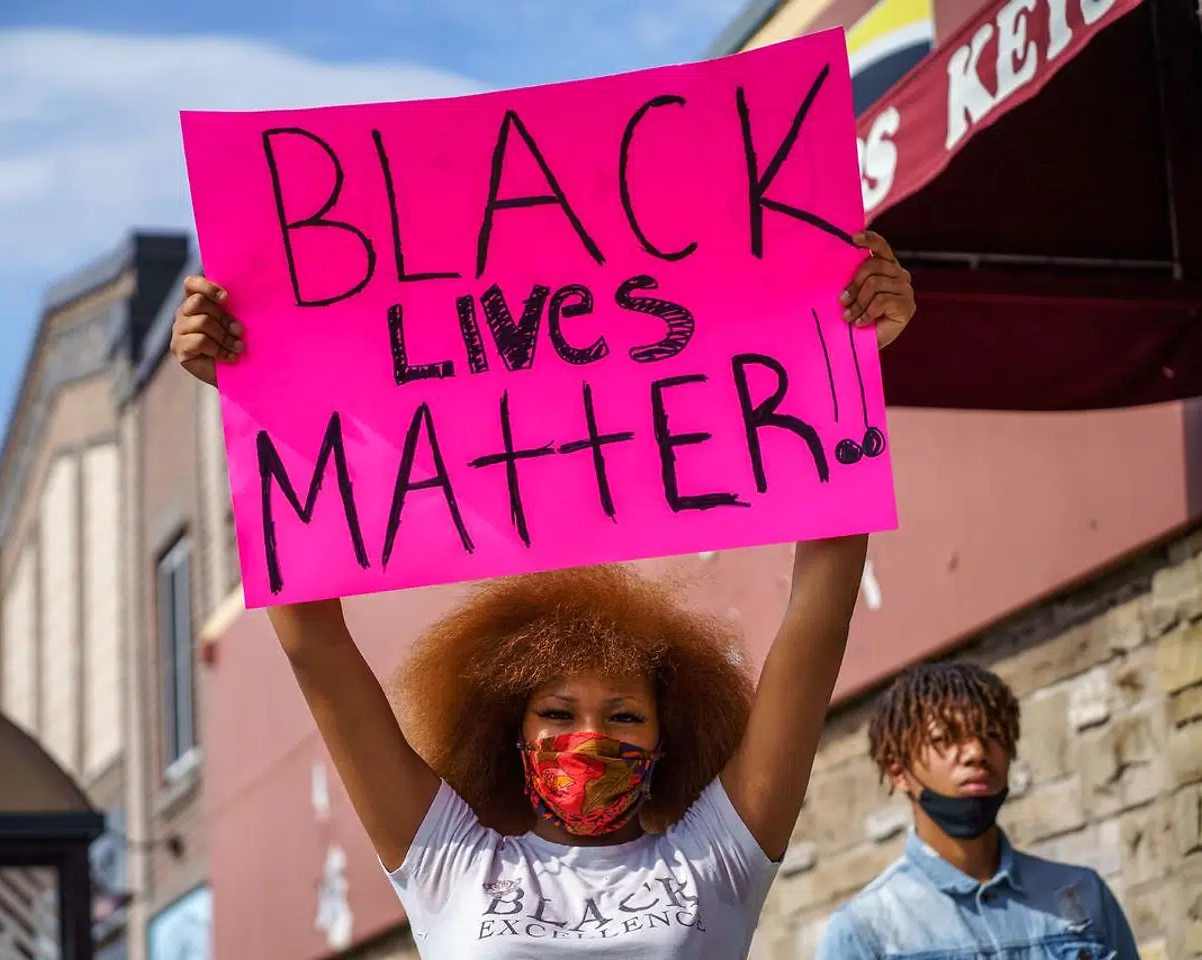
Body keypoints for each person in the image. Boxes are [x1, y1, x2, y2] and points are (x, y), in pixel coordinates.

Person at [170, 232, 916, 958]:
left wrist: (848, 361)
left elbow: (818, 619)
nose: (590, 738)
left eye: (625, 714)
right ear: (510, 731)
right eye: (557, 713)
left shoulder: (720, 860)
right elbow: (315, 648)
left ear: (668, 735)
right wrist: (248, 387)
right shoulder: (449, 865)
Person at [817, 660, 1141, 960]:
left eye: (992, 735)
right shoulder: (865, 932)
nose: (976, 752)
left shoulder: (1084, 895)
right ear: (898, 772)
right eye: (945, 739)